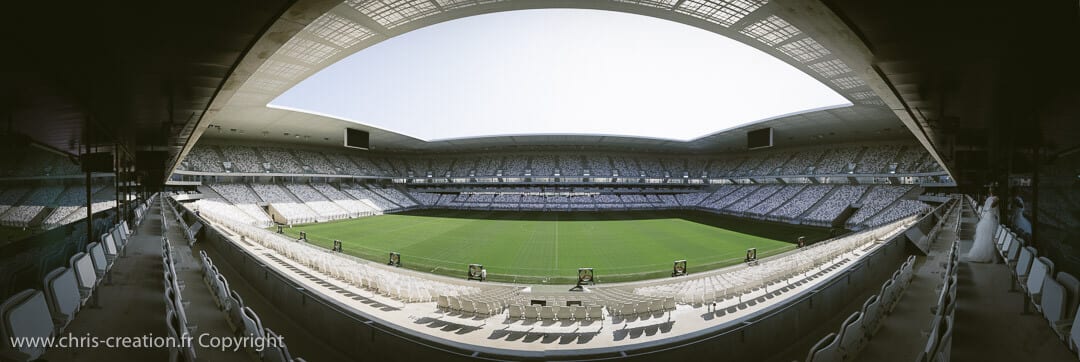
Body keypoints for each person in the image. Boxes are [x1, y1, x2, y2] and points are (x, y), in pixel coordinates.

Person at [965, 188, 1000, 263]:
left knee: (983, 238)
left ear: (990, 192)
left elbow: (984, 210)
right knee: (990, 238)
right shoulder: (996, 199)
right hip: (991, 220)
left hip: (986, 219)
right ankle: (988, 256)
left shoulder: (988, 199)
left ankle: (980, 254)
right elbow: (995, 211)